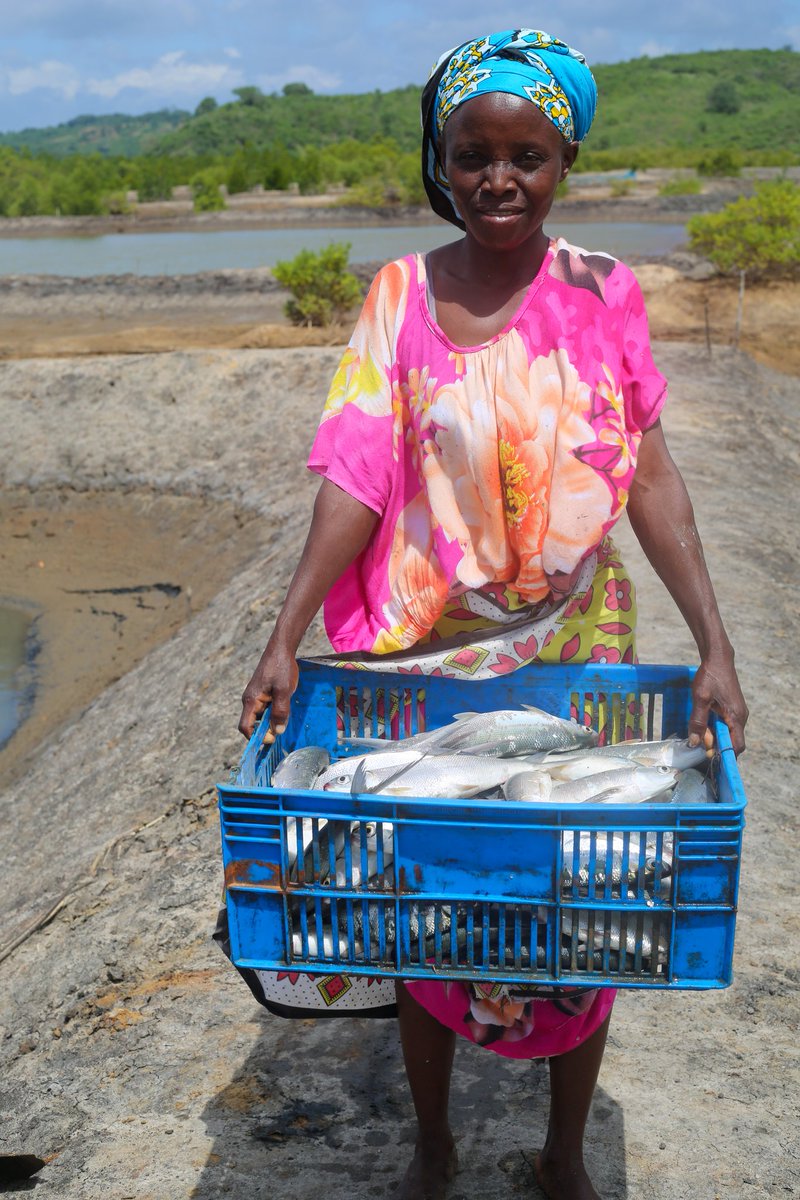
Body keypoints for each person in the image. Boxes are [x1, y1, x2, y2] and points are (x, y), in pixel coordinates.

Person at [237, 29, 748, 1200]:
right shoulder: (399, 298)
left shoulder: (602, 293)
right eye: (472, 154)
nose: (498, 179)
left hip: (577, 645)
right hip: (432, 660)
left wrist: (714, 643)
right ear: (443, 159)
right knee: (429, 902)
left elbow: (650, 476)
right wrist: (281, 631)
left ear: (563, 160)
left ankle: (562, 1153)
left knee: (576, 899)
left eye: (526, 154)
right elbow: (354, 476)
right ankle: (432, 1142)